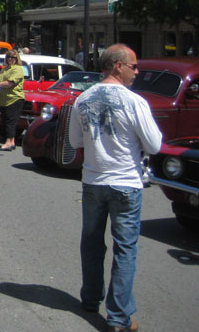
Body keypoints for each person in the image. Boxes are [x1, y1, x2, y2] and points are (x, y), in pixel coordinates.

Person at [68, 44, 161, 332]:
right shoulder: (134, 102)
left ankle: (91, 297)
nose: (137, 71)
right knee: (125, 249)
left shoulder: (82, 99)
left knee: (92, 242)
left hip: (94, 180)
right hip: (125, 183)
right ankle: (119, 316)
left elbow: (75, 142)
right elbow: (155, 144)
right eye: (134, 66)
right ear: (118, 65)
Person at [0, 50, 24, 150]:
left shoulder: (18, 69)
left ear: (16, 59)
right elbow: (1, 81)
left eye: (13, 57)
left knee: (11, 121)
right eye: (9, 57)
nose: (11, 59)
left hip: (14, 98)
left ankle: (8, 142)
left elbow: (10, 83)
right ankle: (12, 142)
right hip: (3, 99)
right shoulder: (4, 69)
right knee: (6, 121)